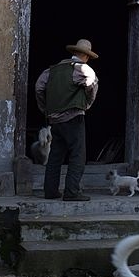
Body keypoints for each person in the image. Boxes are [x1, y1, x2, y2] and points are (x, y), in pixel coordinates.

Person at [34, 38, 100, 201]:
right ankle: (72, 192)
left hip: (55, 120)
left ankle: (50, 191)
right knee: (77, 155)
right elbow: (92, 83)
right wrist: (87, 103)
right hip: (73, 117)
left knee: (55, 155)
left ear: (73, 53)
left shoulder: (51, 71)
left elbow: (39, 88)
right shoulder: (82, 68)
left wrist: (46, 109)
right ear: (86, 56)